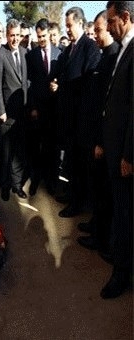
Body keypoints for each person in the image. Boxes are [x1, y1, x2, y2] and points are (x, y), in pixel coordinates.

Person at [76, 9, 120, 255]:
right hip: (94, 134)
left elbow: (108, 105)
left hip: (103, 139)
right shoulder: (105, 55)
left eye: (99, 30)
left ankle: (100, 238)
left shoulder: (114, 56)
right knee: (97, 189)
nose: (94, 35)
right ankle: (95, 227)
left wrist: (100, 141)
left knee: (104, 194)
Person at [50, 7, 101, 218]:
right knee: (70, 162)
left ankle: (77, 203)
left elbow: (88, 85)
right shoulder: (70, 49)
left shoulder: (90, 48)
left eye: (69, 25)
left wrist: (64, 87)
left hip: (81, 119)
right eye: (66, 26)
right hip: (68, 119)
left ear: (80, 23)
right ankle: (72, 195)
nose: (67, 30)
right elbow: (62, 73)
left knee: (79, 165)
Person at [98, 0, 133, 299]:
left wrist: (128, 155)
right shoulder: (125, 48)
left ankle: (121, 275)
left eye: (111, 20)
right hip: (115, 149)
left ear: (125, 17)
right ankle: (120, 258)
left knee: (124, 215)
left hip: (125, 156)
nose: (108, 27)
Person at [0, 18, 29, 201]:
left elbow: (25, 82)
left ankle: (17, 185)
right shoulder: (0, 54)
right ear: (6, 35)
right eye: (12, 35)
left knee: (19, 152)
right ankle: (5, 185)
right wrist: (0, 109)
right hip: (6, 114)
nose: (15, 39)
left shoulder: (24, 52)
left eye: (17, 35)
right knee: (6, 153)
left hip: (22, 113)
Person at [25, 18, 61, 196]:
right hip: (37, 111)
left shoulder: (59, 53)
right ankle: (35, 180)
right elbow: (29, 83)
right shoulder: (31, 56)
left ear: (49, 33)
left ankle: (51, 182)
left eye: (44, 36)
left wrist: (58, 86)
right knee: (36, 148)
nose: (41, 40)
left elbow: (63, 78)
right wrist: (32, 107)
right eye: (38, 37)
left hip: (54, 111)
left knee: (52, 149)